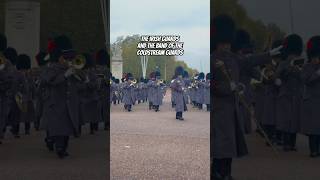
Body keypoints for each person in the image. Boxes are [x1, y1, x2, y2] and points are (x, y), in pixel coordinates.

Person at [211, 14, 282, 180]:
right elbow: (211, 84)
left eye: (228, 43)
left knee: (229, 146)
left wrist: (269, 54)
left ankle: (226, 174)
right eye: (224, 43)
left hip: (232, 109)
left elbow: (250, 61)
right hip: (219, 110)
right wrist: (228, 87)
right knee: (221, 146)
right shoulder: (212, 59)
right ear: (218, 42)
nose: (227, 46)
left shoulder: (233, 57)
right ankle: (217, 173)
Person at [39, 35, 82, 158]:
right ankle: (59, 148)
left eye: (69, 58)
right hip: (56, 102)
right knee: (59, 127)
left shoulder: (72, 67)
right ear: (59, 57)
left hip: (70, 102)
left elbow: (82, 83)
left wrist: (78, 74)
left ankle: (63, 146)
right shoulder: (52, 68)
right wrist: (65, 75)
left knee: (67, 128)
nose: (68, 60)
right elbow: (49, 81)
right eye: (65, 58)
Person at [274, 34, 304, 152]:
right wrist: (287, 71)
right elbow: (277, 77)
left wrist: (297, 71)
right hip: (285, 95)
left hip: (297, 95)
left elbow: (304, 78)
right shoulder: (283, 63)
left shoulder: (301, 62)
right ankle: (286, 143)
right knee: (286, 120)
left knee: (294, 121)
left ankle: (292, 143)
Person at [300, 36, 320, 157]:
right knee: (313, 128)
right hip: (312, 100)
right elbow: (305, 80)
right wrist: (317, 73)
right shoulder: (307, 67)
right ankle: (313, 150)